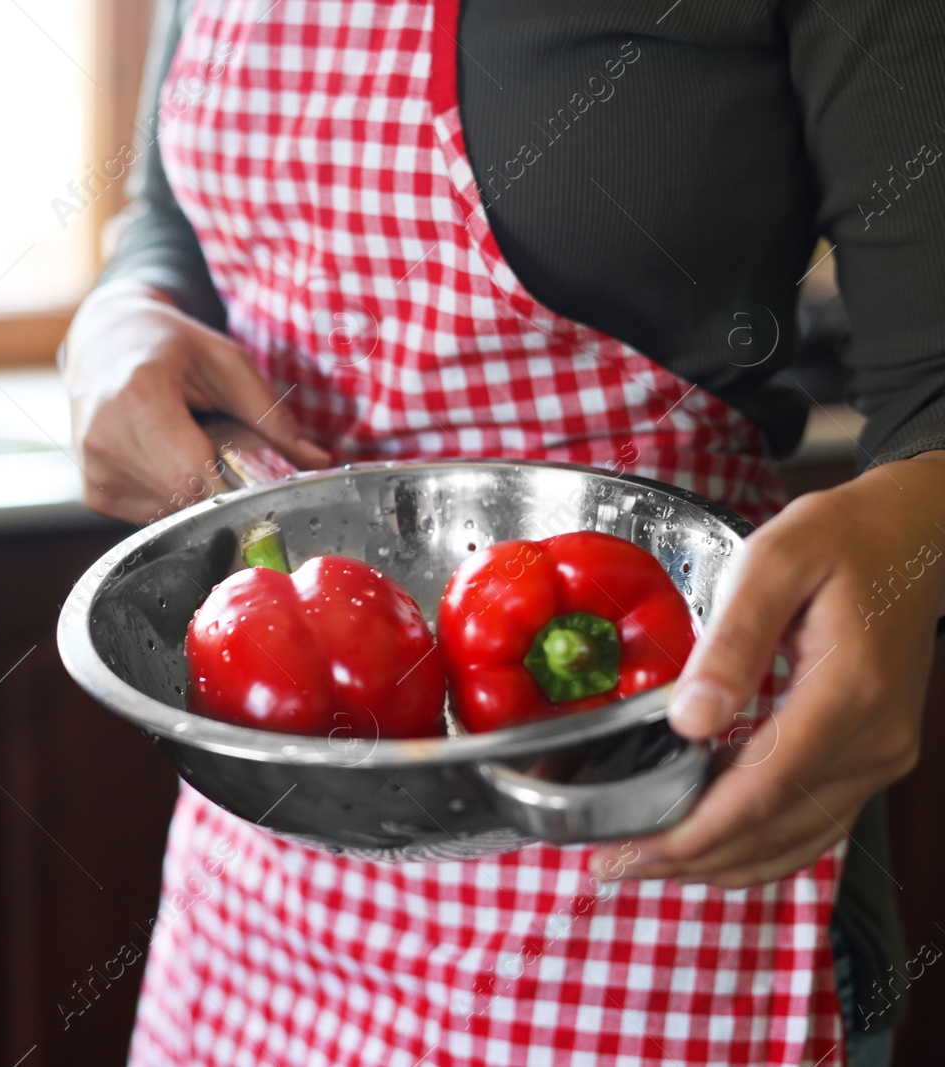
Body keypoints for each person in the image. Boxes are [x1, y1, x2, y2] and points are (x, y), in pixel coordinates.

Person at [61, 0, 945, 1064]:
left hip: (655, 806)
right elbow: (165, 215)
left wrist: (915, 529)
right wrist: (119, 315)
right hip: (272, 873)